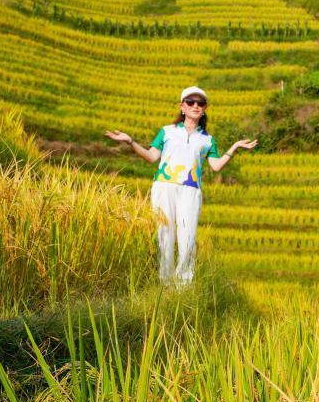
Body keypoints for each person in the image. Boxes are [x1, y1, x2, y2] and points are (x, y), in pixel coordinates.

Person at [104, 86, 258, 286]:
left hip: (191, 190)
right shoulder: (167, 132)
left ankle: (184, 287)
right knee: (164, 235)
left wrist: (234, 147)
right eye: (191, 102)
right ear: (182, 107)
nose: (195, 105)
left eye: (200, 103)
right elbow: (151, 157)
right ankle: (164, 283)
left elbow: (216, 166)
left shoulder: (207, 139)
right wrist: (130, 141)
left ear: (205, 109)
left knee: (188, 237)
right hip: (164, 187)